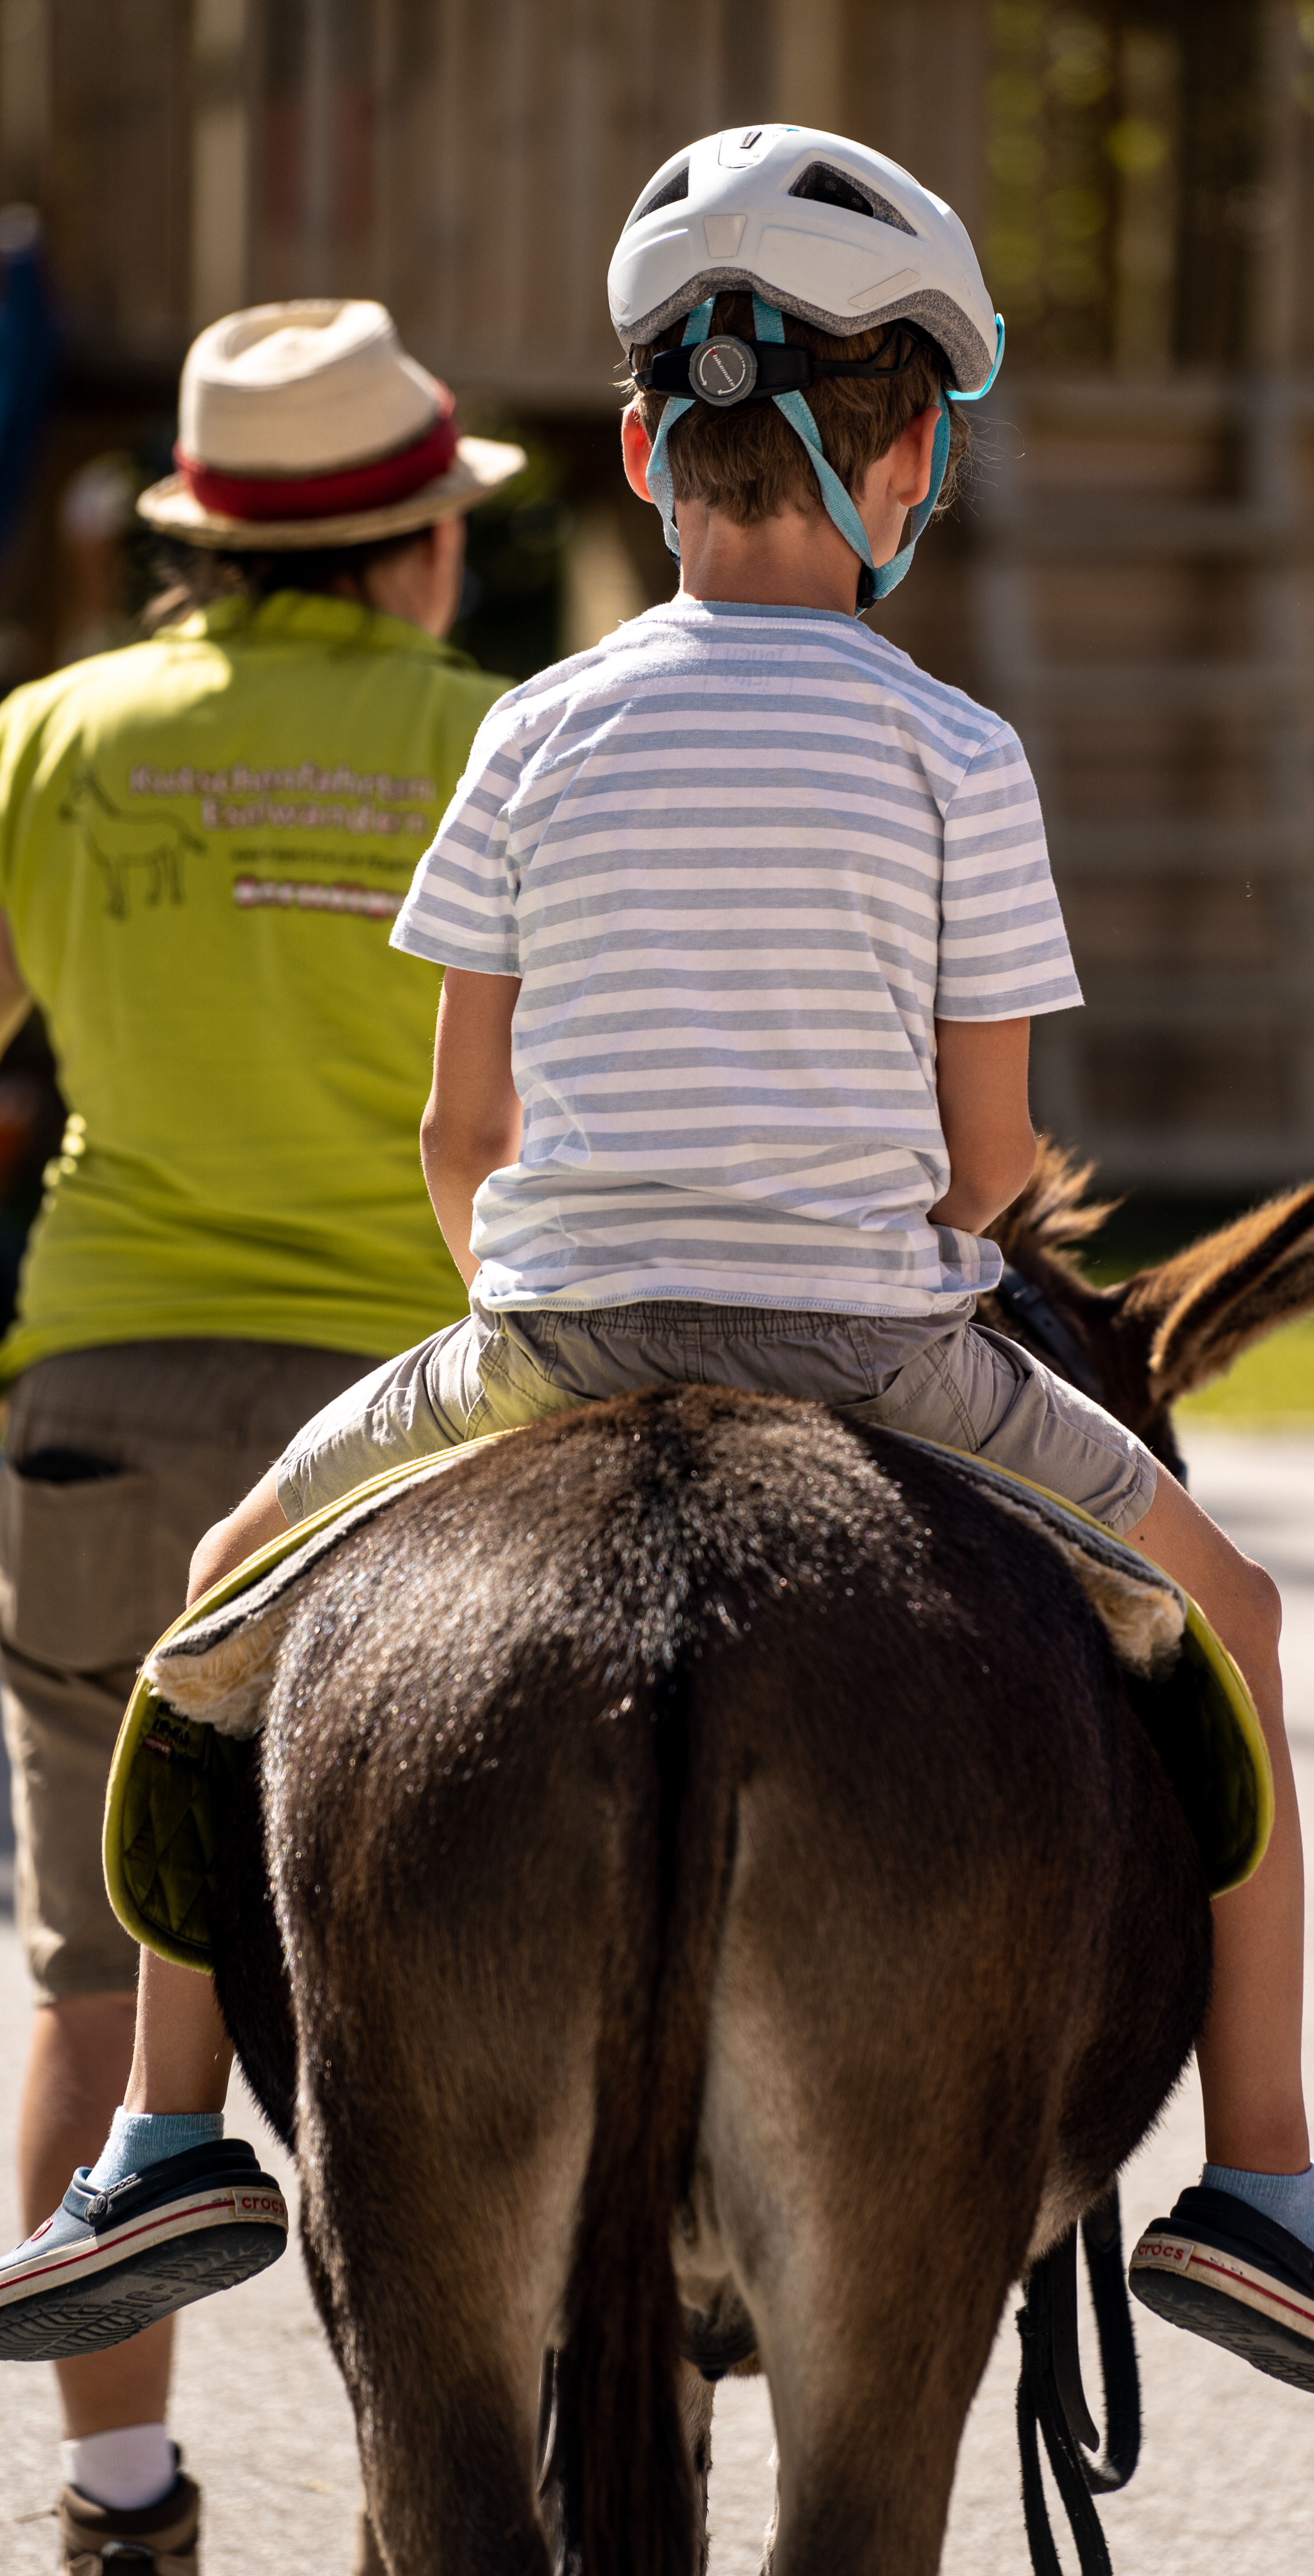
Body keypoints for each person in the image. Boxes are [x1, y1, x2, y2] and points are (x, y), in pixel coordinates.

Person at [1, 131, 1314, 2419]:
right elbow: (986, 1166)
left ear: (651, 455)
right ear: (907, 463)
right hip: (880, 1346)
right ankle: (1263, 2187)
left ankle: (167, 2138)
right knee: (1235, 1625)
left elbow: (460, 1128)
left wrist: (523, 1313)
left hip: (547, 1330)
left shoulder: (525, 725)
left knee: (211, 1609)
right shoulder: (963, 753)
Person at [0, 300, 522, 2567]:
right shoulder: (510, 740)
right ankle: (451, 2491)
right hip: (422, 1425)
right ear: (417, 542)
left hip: (101, 1402)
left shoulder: (54, 734)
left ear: (205, 543)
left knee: (98, 1967)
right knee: (452, 1997)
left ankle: (118, 2499)